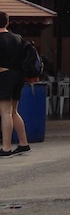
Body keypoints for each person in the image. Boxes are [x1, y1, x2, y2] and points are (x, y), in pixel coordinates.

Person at [0, 11, 31, 157]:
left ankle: (6, 148)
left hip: (4, 76)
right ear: (7, 22)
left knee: (5, 112)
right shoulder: (17, 38)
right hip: (18, 76)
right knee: (13, 111)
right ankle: (23, 143)